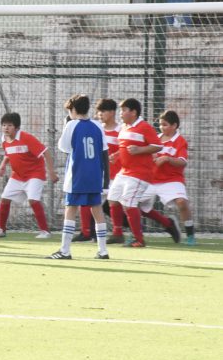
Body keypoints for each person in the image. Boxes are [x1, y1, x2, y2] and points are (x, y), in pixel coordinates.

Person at [47, 94, 110, 259]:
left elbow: (64, 147)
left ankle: (65, 250)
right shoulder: (98, 126)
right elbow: (104, 151)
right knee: (96, 210)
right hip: (95, 174)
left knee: (70, 210)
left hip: (77, 175)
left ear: (73, 110)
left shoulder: (72, 125)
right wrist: (106, 179)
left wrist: (66, 125)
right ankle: (103, 251)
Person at [0, 112, 59, 240]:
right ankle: (1, 229)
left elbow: (45, 152)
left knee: (33, 200)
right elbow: (8, 153)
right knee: (5, 199)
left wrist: (51, 172)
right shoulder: (4, 139)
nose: (6, 128)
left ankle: (45, 231)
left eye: (9, 125)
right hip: (18, 176)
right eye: (3, 125)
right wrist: (3, 165)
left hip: (35, 174)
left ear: (17, 127)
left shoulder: (26, 138)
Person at [106, 98, 162, 247]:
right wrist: (117, 155)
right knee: (112, 199)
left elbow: (157, 146)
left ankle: (139, 239)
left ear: (133, 112)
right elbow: (124, 147)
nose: (121, 114)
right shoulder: (124, 127)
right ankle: (118, 234)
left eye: (124, 110)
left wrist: (141, 150)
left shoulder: (144, 127)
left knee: (129, 204)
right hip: (124, 172)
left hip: (139, 173)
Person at [139, 110, 195, 245]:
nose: (162, 127)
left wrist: (167, 159)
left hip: (172, 180)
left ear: (174, 125)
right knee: (131, 203)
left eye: (165, 124)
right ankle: (137, 234)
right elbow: (146, 155)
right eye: (160, 124)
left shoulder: (180, 141)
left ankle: (190, 234)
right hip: (151, 180)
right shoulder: (156, 139)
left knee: (182, 202)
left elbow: (183, 161)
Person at [72, 98, 124, 242]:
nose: (100, 114)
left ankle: (118, 232)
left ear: (113, 112)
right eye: (98, 111)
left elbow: (125, 148)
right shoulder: (97, 128)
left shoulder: (121, 130)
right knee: (88, 199)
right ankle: (87, 232)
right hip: (98, 173)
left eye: (103, 111)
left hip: (117, 175)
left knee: (119, 203)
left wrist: (118, 155)